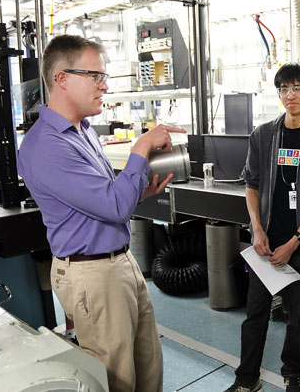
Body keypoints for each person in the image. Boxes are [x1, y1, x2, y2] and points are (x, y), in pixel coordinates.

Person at [17, 34, 186, 392]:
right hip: (91, 273)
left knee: (147, 366)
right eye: (96, 76)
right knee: (116, 378)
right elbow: (112, 205)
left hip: (119, 263)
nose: (104, 86)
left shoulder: (83, 131)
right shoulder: (46, 145)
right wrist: (141, 145)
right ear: (61, 78)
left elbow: (106, 200)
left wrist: (137, 191)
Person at [224, 63, 300, 392]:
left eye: (297, 88)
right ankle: (246, 378)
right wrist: (258, 229)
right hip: (265, 243)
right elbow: (251, 184)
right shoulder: (263, 135)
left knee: (297, 318)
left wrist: (295, 241)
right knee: (254, 315)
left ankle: (293, 373)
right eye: (284, 89)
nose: (290, 95)